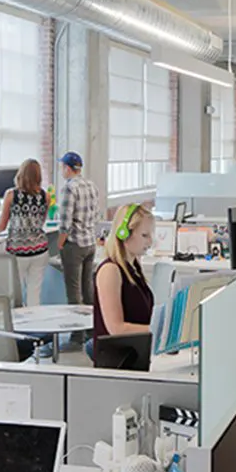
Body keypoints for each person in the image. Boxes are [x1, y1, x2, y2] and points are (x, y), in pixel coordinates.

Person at [92, 204, 154, 361]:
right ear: (124, 234)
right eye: (145, 235)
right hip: (119, 363)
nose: (150, 241)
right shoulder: (110, 271)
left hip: (136, 354)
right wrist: (158, 330)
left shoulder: (134, 268)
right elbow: (116, 328)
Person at [0, 158, 49, 307]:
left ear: (21, 174)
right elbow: (41, 222)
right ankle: (34, 327)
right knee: (34, 295)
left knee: (15, 295)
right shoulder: (45, 196)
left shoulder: (11, 195)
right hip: (40, 250)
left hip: (18, 251)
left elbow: (1, 226)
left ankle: (16, 327)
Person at [56, 152, 102, 341]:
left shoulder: (69, 188)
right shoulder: (91, 185)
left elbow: (66, 222)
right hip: (90, 243)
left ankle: (77, 335)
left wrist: (59, 244)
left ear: (67, 168)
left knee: (74, 292)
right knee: (87, 289)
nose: (61, 171)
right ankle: (93, 331)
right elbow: (96, 214)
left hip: (74, 245)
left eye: (62, 167)